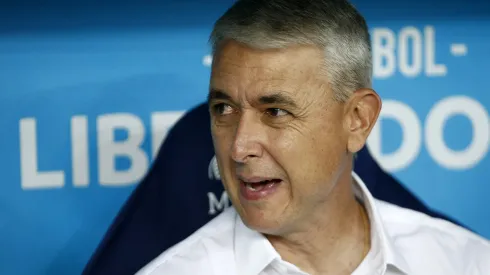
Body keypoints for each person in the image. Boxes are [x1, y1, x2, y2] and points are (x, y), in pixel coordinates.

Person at [136, 0, 490, 274]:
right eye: (223, 109)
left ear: (357, 120)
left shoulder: (467, 263)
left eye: (275, 112)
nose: (239, 148)